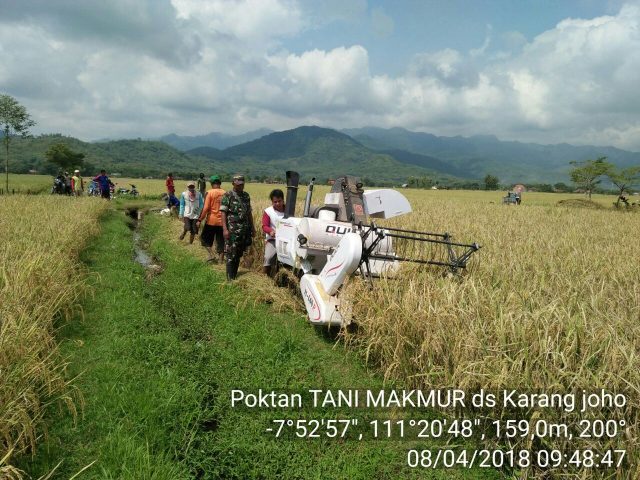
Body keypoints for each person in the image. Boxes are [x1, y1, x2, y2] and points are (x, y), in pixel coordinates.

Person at [220, 174, 255, 280]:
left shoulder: (246, 196)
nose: (240, 186)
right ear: (233, 184)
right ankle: (230, 278)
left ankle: (234, 275)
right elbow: (223, 213)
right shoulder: (228, 195)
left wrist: (252, 228)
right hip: (232, 231)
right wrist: (225, 229)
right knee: (231, 254)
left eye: (242, 184)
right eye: (238, 184)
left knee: (239, 253)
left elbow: (249, 213)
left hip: (244, 231)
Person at [197, 175, 225, 263]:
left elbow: (206, 208)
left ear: (211, 183)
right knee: (221, 241)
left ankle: (211, 254)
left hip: (211, 221)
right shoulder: (226, 193)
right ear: (220, 183)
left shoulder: (209, 193)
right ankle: (221, 260)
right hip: (222, 222)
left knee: (204, 239)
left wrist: (199, 220)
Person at [261, 189, 285, 276]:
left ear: (283, 200)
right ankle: (264, 278)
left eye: (279, 201)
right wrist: (270, 231)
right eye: (275, 202)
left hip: (286, 240)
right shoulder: (268, 211)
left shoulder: (289, 210)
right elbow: (264, 226)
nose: (278, 204)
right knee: (268, 257)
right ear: (272, 201)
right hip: (272, 239)